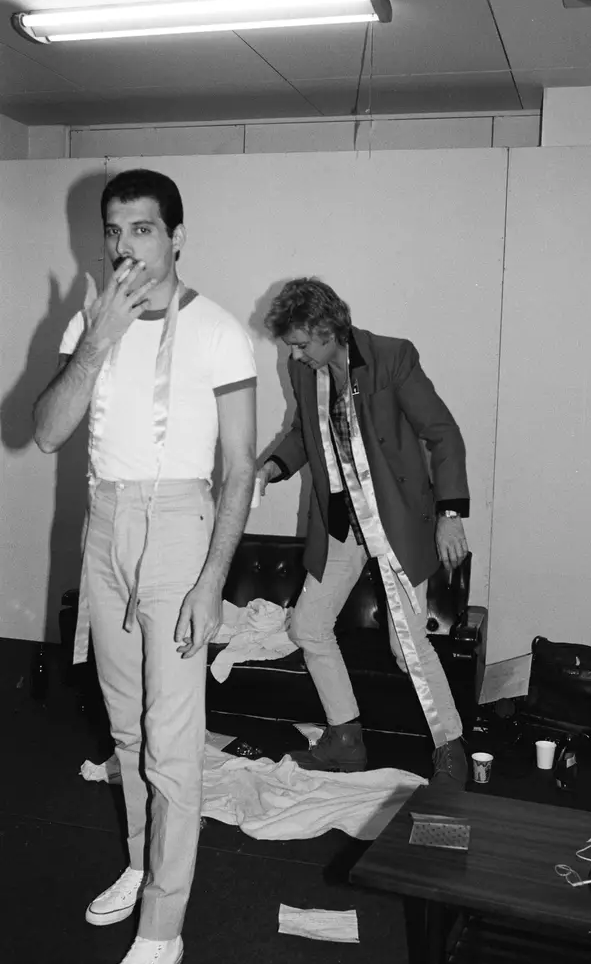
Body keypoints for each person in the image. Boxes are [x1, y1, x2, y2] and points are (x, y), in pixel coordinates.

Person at [33, 169, 257, 964]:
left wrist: (211, 581)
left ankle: (164, 923)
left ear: (176, 237)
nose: (126, 246)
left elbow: (239, 470)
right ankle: (139, 861)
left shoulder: (221, 331)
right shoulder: (91, 322)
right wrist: (95, 340)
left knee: (172, 737)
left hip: (180, 526)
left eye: (144, 230)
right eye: (115, 231)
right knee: (126, 728)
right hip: (106, 524)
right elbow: (49, 432)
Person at [257, 277, 470, 783]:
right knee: (308, 626)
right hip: (340, 524)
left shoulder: (392, 358)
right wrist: (270, 468)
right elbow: (302, 434)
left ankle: (452, 750)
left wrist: (450, 514)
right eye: (291, 345)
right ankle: (346, 738)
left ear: (329, 329)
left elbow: (444, 434)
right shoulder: (302, 369)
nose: (296, 354)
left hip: (395, 522)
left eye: (303, 343)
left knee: (408, 645)